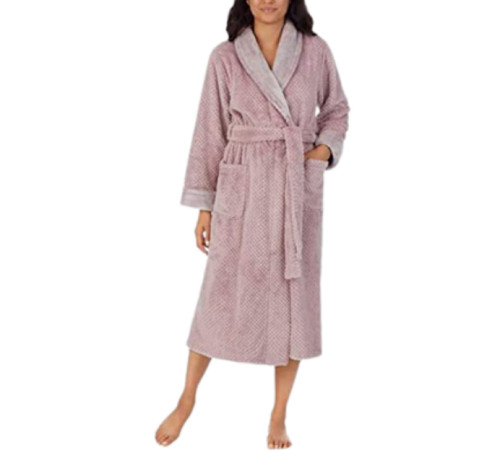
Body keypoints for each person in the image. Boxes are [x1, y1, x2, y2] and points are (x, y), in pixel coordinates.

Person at [156, 0, 349, 447]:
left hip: (294, 185)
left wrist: (322, 151)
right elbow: (209, 131)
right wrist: (204, 206)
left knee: (293, 299)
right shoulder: (224, 57)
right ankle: (187, 399)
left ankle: (278, 415)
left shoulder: (315, 51)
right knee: (219, 293)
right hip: (241, 186)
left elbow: (336, 109)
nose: (267, 0)